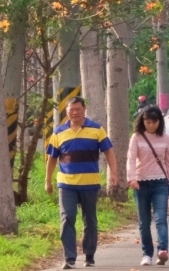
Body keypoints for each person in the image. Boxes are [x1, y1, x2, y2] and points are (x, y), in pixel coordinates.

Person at [46, 96, 119, 269]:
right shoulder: (58, 132)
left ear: (84, 109)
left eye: (78, 109)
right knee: (67, 218)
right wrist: (47, 180)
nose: (75, 113)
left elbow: (109, 152)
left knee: (90, 220)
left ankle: (89, 255)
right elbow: (52, 158)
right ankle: (69, 258)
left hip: (90, 183)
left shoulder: (96, 129)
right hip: (66, 184)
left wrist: (113, 173)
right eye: (71, 110)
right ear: (67, 112)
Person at [128, 105, 169, 266]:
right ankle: (147, 254)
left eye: (154, 122)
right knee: (144, 222)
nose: (151, 125)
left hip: (160, 183)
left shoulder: (165, 138)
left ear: (160, 122)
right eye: (148, 122)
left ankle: (162, 250)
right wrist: (131, 178)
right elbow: (130, 159)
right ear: (142, 121)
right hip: (141, 184)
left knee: (160, 219)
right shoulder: (137, 137)